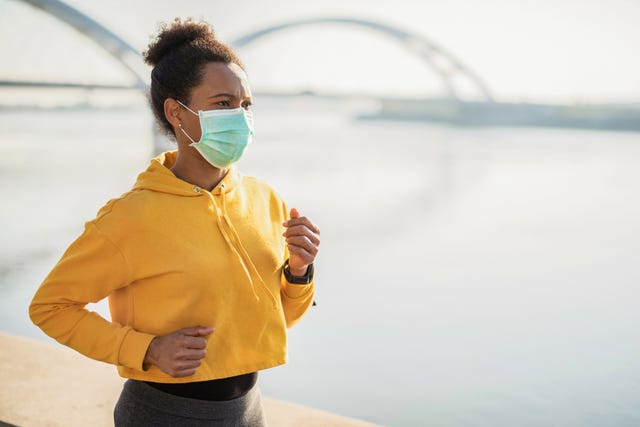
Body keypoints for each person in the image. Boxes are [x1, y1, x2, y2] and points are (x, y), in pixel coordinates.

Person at [29, 18, 319, 426]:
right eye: (222, 103)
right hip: (165, 413)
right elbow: (50, 307)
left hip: (249, 409)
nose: (239, 117)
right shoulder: (132, 216)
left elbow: (276, 319)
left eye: (246, 104)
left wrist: (300, 272)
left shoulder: (265, 199)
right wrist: (146, 349)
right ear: (176, 113)